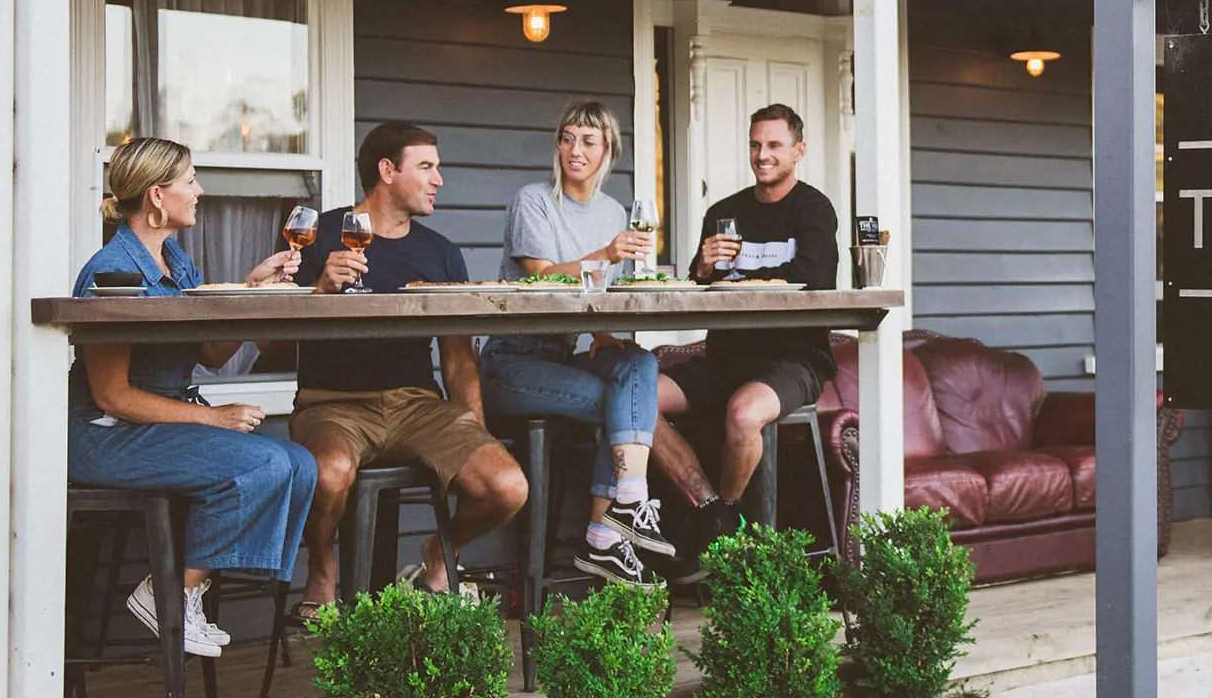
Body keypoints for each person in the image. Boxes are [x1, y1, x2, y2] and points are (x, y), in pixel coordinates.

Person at [69, 137, 318, 657]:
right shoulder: (113, 274)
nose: (200, 191)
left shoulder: (175, 262)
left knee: (298, 462)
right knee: (263, 466)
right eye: (189, 181)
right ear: (158, 196)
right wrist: (215, 419)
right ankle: (169, 592)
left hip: (158, 426)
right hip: (107, 435)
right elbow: (112, 396)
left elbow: (210, 350)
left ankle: (189, 587)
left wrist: (251, 292)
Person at [289, 123, 529, 613]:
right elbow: (269, 347)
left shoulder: (440, 253)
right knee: (330, 473)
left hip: (416, 405)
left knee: (507, 486)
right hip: (332, 404)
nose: (439, 179)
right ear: (387, 171)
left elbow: (459, 360)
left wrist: (474, 438)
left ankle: (439, 550)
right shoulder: (319, 236)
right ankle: (321, 567)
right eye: (426, 167)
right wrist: (317, 291)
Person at [480, 101, 675, 587]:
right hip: (512, 362)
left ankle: (621, 509)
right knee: (621, 401)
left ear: (608, 150)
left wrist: (605, 332)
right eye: (567, 138)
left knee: (639, 365)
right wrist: (607, 253)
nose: (575, 150)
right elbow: (542, 279)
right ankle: (608, 534)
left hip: (563, 356)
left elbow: (598, 296)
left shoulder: (612, 211)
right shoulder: (535, 201)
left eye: (588, 141)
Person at [658, 103, 839, 551]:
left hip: (794, 359)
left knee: (743, 413)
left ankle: (727, 527)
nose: (763, 154)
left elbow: (815, 278)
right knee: (635, 396)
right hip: (724, 357)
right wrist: (701, 267)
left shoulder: (814, 210)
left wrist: (743, 275)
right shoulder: (725, 211)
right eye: (756, 145)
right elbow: (700, 288)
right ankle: (712, 510)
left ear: (799, 151)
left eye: (774, 145)